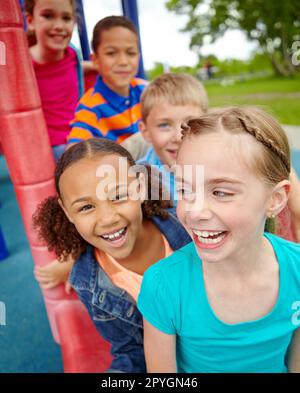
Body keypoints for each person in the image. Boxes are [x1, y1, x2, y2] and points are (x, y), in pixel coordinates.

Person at [137, 106, 300, 373]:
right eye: (184, 189)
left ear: (275, 199)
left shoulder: (297, 270)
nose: (194, 211)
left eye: (221, 192)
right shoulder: (163, 285)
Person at [33, 138, 191, 372]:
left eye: (118, 196)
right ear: (67, 212)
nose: (107, 219)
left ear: (139, 188)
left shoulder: (188, 228)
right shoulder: (90, 284)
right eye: (86, 207)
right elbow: (131, 352)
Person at [66, 16, 148, 159]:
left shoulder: (146, 91)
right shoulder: (90, 107)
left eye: (131, 53)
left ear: (138, 57)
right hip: (119, 172)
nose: (123, 62)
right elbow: (73, 154)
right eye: (111, 53)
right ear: (96, 60)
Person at [25, 0, 91, 161]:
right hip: (47, 146)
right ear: (30, 21)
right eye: (48, 16)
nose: (59, 25)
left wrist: (99, 66)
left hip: (78, 134)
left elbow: (72, 71)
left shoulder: (72, 55)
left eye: (66, 18)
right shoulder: (24, 63)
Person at [138, 72, 208, 206]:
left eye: (190, 123)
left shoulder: (220, 164)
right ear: (145, 131)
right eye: (164, 125)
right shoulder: (140, 181)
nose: (178, 137)